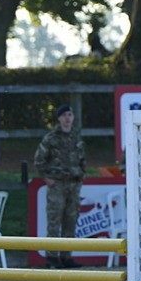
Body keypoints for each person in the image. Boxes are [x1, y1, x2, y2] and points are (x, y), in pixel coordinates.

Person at [34, 105, 86, 269]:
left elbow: (82, 159)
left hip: (73, 184)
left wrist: (80, 177)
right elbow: (39, 160)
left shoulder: (76, 137)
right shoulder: (50, 138)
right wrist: (46, 177)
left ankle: (66, 256)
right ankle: (52, 258)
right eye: (64, 115)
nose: (67, 118)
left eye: (69, 115)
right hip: (57, 184)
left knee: (71, 221)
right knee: (54, 221)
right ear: (58, 118)